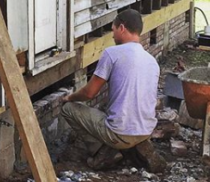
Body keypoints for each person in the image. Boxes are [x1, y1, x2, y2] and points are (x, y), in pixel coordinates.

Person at [61, 9, 166, 172]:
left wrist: (70, 98)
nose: (112, 35)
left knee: (68, 110)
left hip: (119, 134)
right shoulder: (152, 61)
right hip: (146, 130)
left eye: (113, 29)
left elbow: (89, 93)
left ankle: (102, 150)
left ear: (122, 28)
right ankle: (132, 148)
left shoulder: (112, 53)